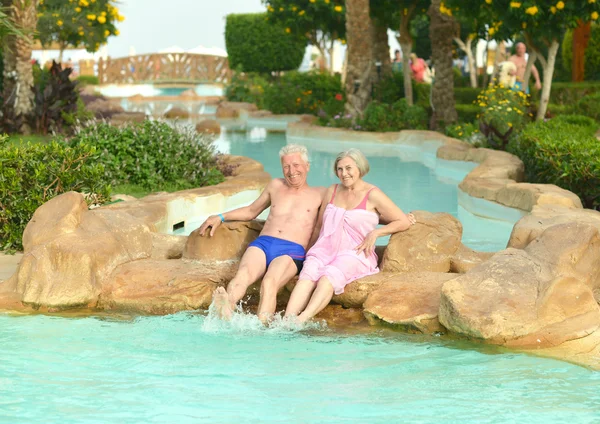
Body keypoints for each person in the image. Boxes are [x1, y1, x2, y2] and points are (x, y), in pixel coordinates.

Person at [284, 149, 416, 323]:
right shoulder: (332, 190)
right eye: (339, 169)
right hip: (326, 247)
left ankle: (301, 320)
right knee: (308, 274)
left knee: (327, 277)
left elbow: (402, 221)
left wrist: (376, 232)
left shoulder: (373, 194)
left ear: (359, 168)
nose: (344, 174)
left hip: (355, 252)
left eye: (348, 168)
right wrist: (308, 252)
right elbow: (319, 225)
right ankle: (286, 322)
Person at [200, 144, 324, 322]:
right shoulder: (275, 185)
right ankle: (226, 310)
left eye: (296, 165)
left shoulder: (320, 194)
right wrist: (221, 216)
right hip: (263, 243)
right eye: (286, 167)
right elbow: (252, 211)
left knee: (269, 282)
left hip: (291, 250)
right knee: (242, 275)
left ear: (307, 166)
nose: (291, 171)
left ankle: (261, 325)